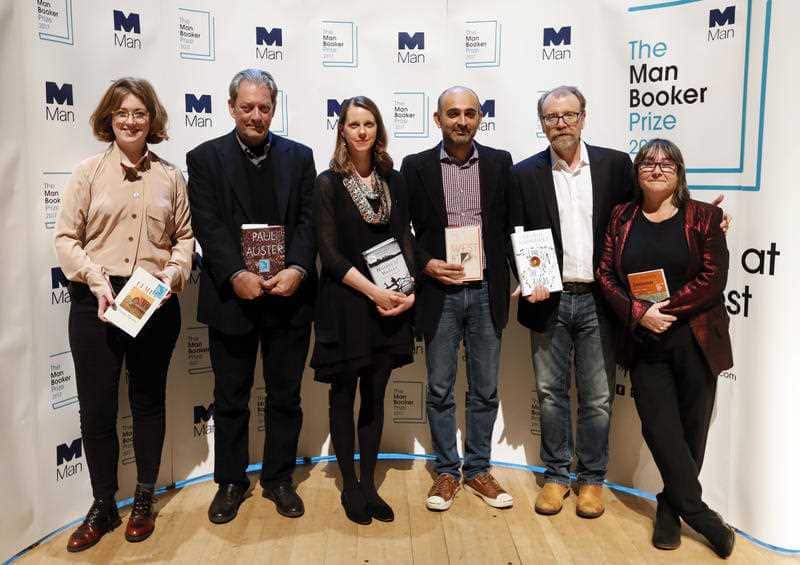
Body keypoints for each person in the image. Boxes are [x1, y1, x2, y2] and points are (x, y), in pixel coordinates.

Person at [54, 77, 193, 551]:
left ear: (151, 120)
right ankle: (103, 504)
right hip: (97, 301)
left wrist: (172, 275)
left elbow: (184, 237)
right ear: (108, 119)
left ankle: (144, 498)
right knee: (96, 409)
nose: (131, 121)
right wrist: (95, 280)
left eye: (139, 113)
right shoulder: (88, 173)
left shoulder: (170, 176)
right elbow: (66, 239)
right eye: (122, 113)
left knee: (148, 401)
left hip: (153, 300)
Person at [186, 69, 316, 523]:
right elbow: (206, 224)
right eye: (247, 107)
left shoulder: (300, 157)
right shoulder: (204, 158)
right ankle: (231, 481)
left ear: (273, 109)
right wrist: (234, 273)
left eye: (264, 107)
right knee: (230, 398)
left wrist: (297, 269)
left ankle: (279, 478)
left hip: (288, 298)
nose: (256, 115)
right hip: (231, 300)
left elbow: (309, 221)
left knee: (285, 396)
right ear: (231, 108)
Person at [596, 139, 735, 558]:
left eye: (666, 163)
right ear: (637, 172)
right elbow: (605, 274)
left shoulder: (705, 217)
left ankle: (670, 508)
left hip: (696, 341)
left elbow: (713, 278)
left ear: (680, 172)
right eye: (648, 163)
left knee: (692, 432)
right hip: (645, 344)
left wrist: (662, 310)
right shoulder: (621, 216)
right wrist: (639, 314)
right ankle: (702, 516)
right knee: (660, 429)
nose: (657, 169)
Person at [511, 85, 634, 518]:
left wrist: (705, 218)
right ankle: (557, 475)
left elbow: (645, 215)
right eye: (552, 117)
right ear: (542, 123)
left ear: (583, 117)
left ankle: (592, 479)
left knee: (598, 396)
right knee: (550, 394)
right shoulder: (524, 173)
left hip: (601, 299)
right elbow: (514, 232)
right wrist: (527, 277)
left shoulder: (616, 166)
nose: (560, 123)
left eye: (569, 115)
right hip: (549, 299)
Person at [401, 86, 514, 511]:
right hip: (440, 293)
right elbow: (402, 231)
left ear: (480, 118)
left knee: (485, 389)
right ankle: (447, 471)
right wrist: (426, 264)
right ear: (438, 119)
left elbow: (512, 226)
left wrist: (528, 272)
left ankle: (479, 469)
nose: (461, 121)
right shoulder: (416, 166)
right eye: (453, 113)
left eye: (469, 113)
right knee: (439, 388)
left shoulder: (500, 162)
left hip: (487, 290)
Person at [312, 96, 415, 525]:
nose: (361, 131)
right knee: (343, 397)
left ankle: (370, 484)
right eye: (353, 124)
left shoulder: (394, 179)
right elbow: (329, 254)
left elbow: (405, 237)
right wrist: (373, 291)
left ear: (378, 130)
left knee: (375, 396)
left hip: (389, 306)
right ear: (342, 130)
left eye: (368, 124)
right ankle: (350, 487)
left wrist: (409, 291)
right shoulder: (328, 183)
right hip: (346, 304)